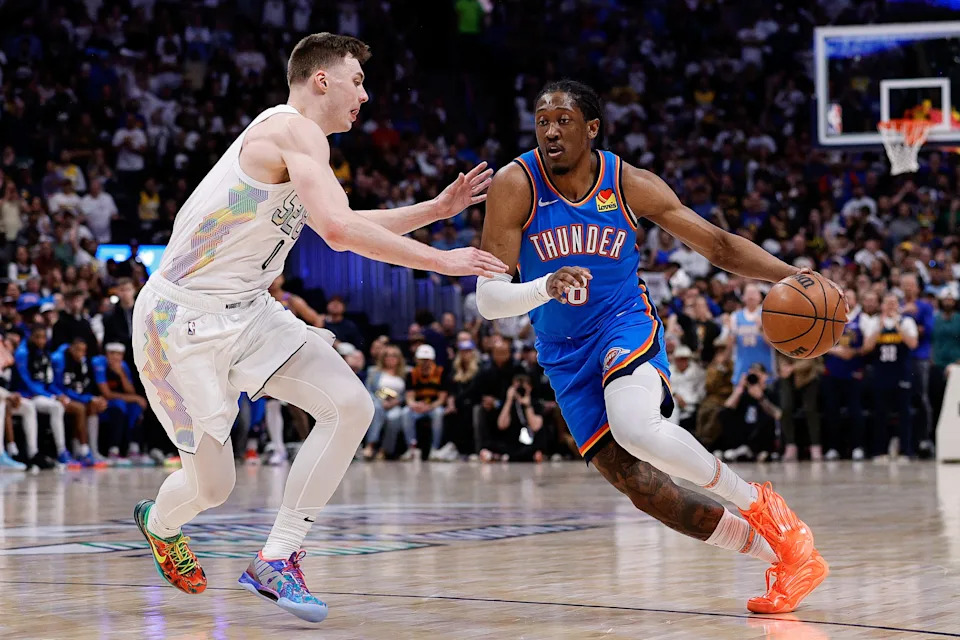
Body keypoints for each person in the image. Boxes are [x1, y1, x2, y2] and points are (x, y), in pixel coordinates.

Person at [130, 32, 506, 623]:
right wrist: (444, 260)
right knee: (211, 488)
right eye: (358, 81)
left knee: (351, 405)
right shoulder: (291, 130)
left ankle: (276, 557)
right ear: (321, 80)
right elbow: (338, 231)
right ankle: (158, 522)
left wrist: (435, 211)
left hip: (247, 309)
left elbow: (344, 217)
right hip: (178, 322)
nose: (365, 94)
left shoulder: (303, 145)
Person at [477, 80, 830, 614]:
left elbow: (717, 245)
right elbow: (488, 299)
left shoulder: (627, 183)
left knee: (635, 426)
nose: (550, 131)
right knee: (647, 491)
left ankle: (763, 505)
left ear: (592, 129)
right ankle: (786, 554)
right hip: (562, 354)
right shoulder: (515, 183)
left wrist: (790, 274)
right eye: (542, 121)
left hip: (623, 324)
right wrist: (544, 286)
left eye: (563, 120)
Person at [861, 293, 918, 460]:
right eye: (887, 303)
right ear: (882, 305)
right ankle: (880, 451)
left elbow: (913, 343)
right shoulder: (874, 322)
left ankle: (906, 451)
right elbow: (866, 347)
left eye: (894, 303)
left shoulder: (906, 321)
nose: (891, 306)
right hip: (881, 374)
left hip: (901, 373)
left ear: (898, 305)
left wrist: (897, 325)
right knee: (880, 414)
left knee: (904, 413)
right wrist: (879, 327)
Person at [822, 289, 869, 460]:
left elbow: (867, 347)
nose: (846, 300)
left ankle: (857, 446)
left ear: (856, 300)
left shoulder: (863, 319)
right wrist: (835, 351)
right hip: (832, 370)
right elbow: (820, 343)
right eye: (844, 297)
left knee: (855, 411)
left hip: (853, 372)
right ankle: (834, 448)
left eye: (850, 297)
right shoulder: (829, 318)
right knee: (831, 411)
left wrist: (853, 352)